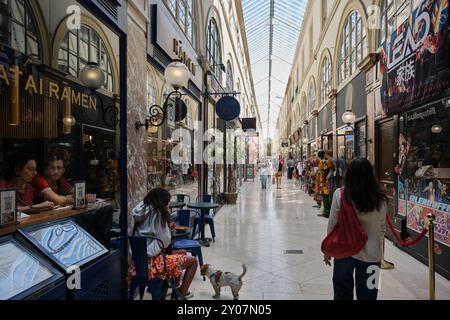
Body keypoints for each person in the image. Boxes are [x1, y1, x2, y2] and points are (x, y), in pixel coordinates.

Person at [324, 158, 387, 300]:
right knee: (370, 295)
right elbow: (382, 228)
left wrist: (329, 249)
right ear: (371, 175)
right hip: (373, 255)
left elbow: (332, 225)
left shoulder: (340, 194)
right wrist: (375, 244)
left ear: (349, 174)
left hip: (344, 252)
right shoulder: (380, 199)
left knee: (342, 294)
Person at [128, 188, 198, 299]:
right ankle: (180, 295)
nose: (168, 204)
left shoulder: (142, 211)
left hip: (137, 263)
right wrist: (168, 229)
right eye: (167, 202)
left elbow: (150, 231)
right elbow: (165, 241)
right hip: (154, 264)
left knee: (183, 252)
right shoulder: (158, 213)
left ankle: (176, 287)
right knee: (193, 261)